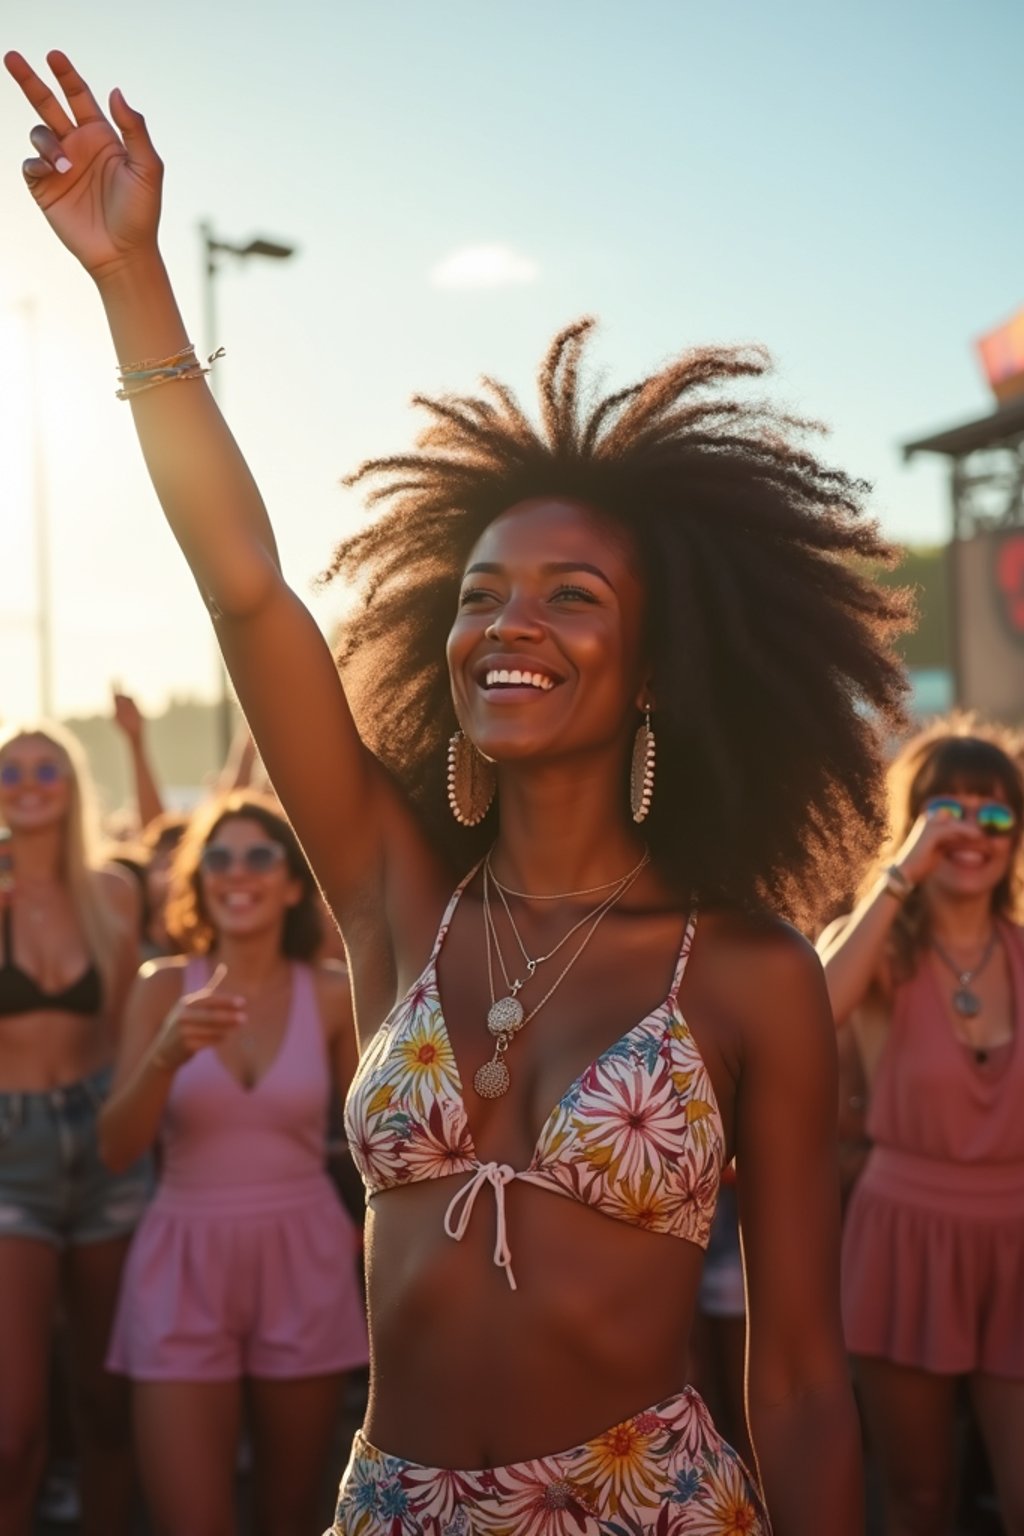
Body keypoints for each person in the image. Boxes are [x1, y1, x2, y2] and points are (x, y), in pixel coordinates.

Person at [5, 49, 914, 1533]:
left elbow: (805, 1380)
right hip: (401, 1507)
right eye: (485, 592)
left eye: (573, 598)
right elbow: (248, 597)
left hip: (656, 1506)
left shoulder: (747, 974)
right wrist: (130, 279)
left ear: (657, 667)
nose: (513, 627)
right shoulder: (390, 889)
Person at [98, 791, 368, 1536]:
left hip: (303, 1256)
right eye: (218, 857)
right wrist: (164, 1056)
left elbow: (379, 1143)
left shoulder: (334, 996)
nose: (236, 872)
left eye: (259, 856)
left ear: (291, 884)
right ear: (198, 882)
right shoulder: (161, 991)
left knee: (292, 1515)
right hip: (180, 1257)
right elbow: (116, 1147)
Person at [818, 721, 1024, 1536]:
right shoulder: (883, 956)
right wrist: (903, 873)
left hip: (1019, 1238)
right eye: (947, 810)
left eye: (996, 814)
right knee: (920, 1499)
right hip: (902, 1238)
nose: (971, 831)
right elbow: (814, 1004)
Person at [0, 721, 148, 1536]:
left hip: (101, 1146)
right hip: (8, 1151)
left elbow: (130, 1034)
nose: (27, 782)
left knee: (107, 1403)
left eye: (46, 769)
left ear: (71, 787)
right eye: (11, 769)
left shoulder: (114, 894)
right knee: (14, 1433)